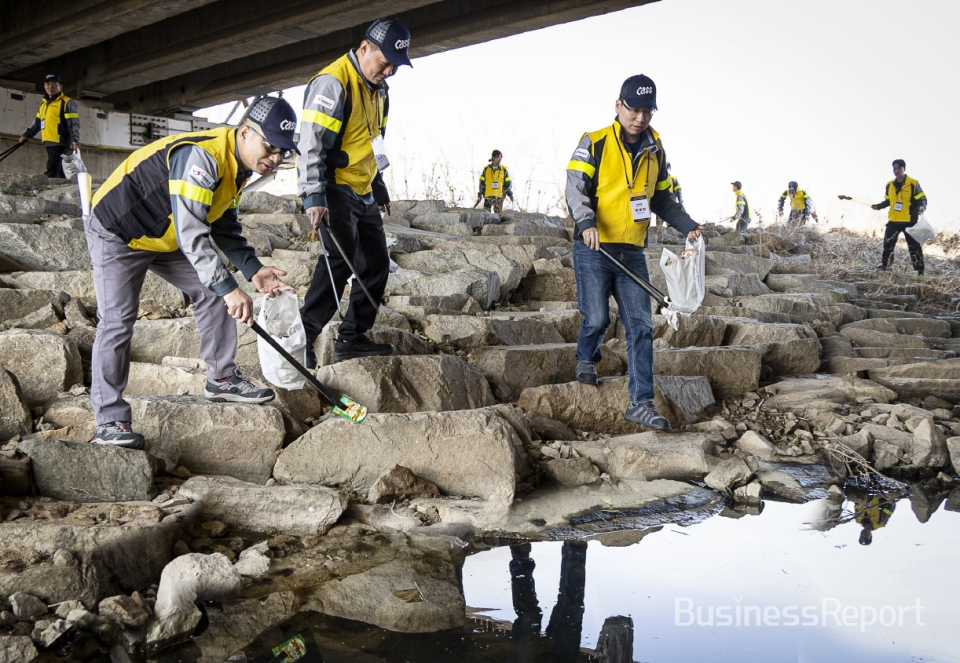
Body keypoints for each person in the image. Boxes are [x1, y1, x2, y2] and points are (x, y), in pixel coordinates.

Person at [84, 96, 295, 449]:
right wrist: (230, 287)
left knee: (213, 293)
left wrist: (253, 269)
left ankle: (221, 379)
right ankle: (109, 421)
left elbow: (224, 225)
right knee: (117, 320)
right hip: (119, 233)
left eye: (283, 152)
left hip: (165, 237)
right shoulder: (203, 157)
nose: (275, 159)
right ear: (244, 133)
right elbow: (193, 232)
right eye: (270, 147)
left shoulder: (239, 168)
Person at [566, 74, 703, 431]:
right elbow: (575, 187)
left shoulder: (655, 148)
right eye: (633, 109)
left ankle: (641, 403)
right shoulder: (593, 141)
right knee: (596, 318)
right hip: (593, 247)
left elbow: (660, 198)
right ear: (618, 106)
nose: (639, 118)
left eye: (646, 111)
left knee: (640, 327)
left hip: (633, 252)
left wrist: (687, 224)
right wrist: (586, 223)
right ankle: (586, 357)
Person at [297, 17, 413, 368]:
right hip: (333, 188)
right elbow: (310, 144)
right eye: (384, 62)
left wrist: (378, 187)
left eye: (395, 65)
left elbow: (373, 141)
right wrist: (313, 196)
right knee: (339, 262)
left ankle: (351, 339)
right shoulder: (332, 83)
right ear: (364, 48)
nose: (389, 70)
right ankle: (302, 338)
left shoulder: (381, 91)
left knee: (376, 263)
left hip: (363, 189)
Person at [871, 159, 927, 275]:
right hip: (893, 221)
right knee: (888, 245)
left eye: (899, 168)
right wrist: (879, 206)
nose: (896, 171)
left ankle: (920, 271)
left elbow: (922, 199)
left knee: (914, 247)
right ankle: (885, 266)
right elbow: (888, 201)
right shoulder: (889, 184)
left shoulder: (913, 183)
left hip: (909, 221)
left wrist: (921, 207)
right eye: (894, 168)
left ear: (904, 169)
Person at [18, 74, 80, 179]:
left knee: (52, 168)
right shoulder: (43, 105)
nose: (50, 86)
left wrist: (75, 140)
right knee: (59, 170)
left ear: (60, 87)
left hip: (60, 141)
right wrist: (26, 135)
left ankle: (43, 188)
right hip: (48, 141)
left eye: (54, 84)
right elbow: (37, 123)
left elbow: (73, 123)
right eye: (48, 84)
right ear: (44, 86)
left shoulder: (66, 102)